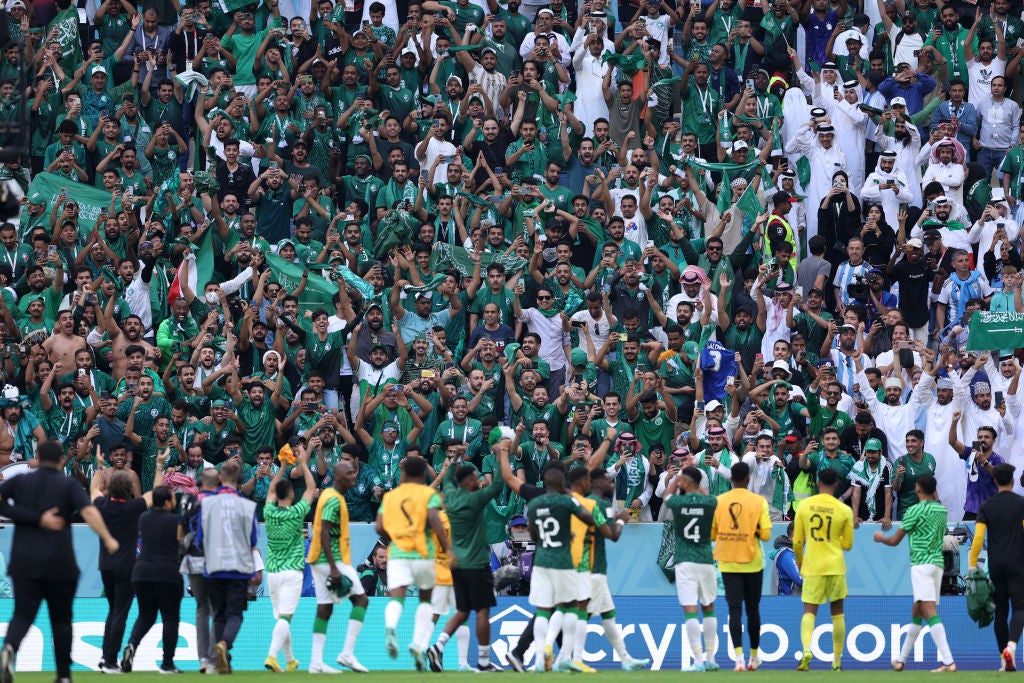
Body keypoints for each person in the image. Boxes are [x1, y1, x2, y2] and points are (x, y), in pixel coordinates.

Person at [0, 441, 119, 683]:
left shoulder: (20, 482)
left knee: (22, 615)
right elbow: (89, 512)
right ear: (59, 460)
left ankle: (9, 648)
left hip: (25, 562)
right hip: (59, 563)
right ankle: (63, 675)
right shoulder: (67, 484)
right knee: (62, 620)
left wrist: (31, 518)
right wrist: (107, 538)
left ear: (37, 458)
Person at [426, 435, 506, 673]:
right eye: (476, 477)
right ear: (470, 481)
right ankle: (482, 661)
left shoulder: (450, 495)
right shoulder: (475, 499)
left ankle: (437, 647)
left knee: (462, 610)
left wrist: (456, 455)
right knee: (482, 610)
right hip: (476, 562)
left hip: (456, 564)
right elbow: (499, 485)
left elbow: (448, 475)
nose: (479, 479)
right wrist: (501, 456)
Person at [92, 453, 167, 674]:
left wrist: (99, 467)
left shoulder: (102, 505)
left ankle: (106, 656)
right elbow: (155, 494)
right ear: (128, 489)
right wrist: (159, 466)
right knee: (120, 614)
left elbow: (94, 489)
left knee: (113, 610)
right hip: (127, 566)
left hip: (105, 565)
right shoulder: (135, 507)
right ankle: (109, 661)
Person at [376, 455, 454, 671]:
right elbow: (435, 520)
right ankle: (417, 644)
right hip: (423, 555)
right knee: (425, 602)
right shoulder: (429, 494)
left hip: (398, 553)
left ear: (404, 473)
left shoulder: (391, 497)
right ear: (421, 474)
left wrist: (397, 534)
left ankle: (391, 627)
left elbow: (379, 526)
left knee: (396, 599)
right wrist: (448, 548)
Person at [873, 474, 957, 672]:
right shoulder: (941, 510)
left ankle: (948, 661)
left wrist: (879, 538)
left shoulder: (913, 511)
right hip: (937, 564)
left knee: (928, 611)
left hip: (921, 564)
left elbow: (894, 540)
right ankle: (901, 660)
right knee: (917, 612)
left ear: (918, 488)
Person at [525, 464, 598, 673]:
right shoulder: (567, 501)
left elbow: (532, 534)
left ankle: (539, 659)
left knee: (542, 610)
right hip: (563, 562)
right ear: (561, 483)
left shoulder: (535, 503)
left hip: (542, 561)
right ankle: (566, 655)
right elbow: (589, 519)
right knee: (571, 606)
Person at [306, 458, 371, 674]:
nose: (354, 476)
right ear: (339, 477)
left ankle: (316, 663)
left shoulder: (329, 495)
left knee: (325, 607)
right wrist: (334, 568)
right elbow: (323, 532)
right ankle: (347, 653)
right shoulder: (334, 499)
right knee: (361, 600)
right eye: (350, 474)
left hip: (319, 560)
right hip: (331, 560)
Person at [196, 458, 260, 675]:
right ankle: (224, 644)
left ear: (221, 478)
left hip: (213, 566)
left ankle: (223, 659)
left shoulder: (206, 503)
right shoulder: (247, 506)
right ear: (240, 480)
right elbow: (252, 541)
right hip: (238, 567)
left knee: (219, 613)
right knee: (235, 614)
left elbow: (199, 539)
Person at [711, 461, 771, 672]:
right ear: (747, 479)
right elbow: (765, 534)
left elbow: (712, 534)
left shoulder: (719, 501)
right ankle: (754, 657)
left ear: (732, 479)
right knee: (753, 610)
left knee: (734, 609)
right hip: (752, 562)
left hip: (727, 562)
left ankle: (738, 659)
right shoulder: (758, 502)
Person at [792, 468, 854, 671]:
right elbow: (847, 545)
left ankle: (807, 650)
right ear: (837, 485)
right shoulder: (844, 510)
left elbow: (797, 542)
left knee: (809, 611)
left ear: (818, 483)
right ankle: (836, 661)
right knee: (838, 613)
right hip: (835, 566)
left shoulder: (804, 506)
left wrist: (800, 563)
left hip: (813, 565)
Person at [262, 441, 316, 673]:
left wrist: (282, 468)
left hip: (272, 572)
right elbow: (312, 489)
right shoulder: (296, 512)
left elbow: (271, 491)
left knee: (282, 619)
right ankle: (272, 656)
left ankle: (291, 660)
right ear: (292, 494)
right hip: (292, 571)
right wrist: (303, 463)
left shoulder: (269, 511)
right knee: (286, 617)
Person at [121, 485, 184, 674]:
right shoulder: (176, 520)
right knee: (170, 618)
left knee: (146, 615)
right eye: (172, 498)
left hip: (141, 573)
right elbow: (182, 543)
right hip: (167, 573)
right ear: (166, 502)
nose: (174, 501)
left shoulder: (143, 518)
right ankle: (167, 664)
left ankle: (132, 644)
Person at [663, 466, 720, 672]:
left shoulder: (678, 502)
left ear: (685, 482)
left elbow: (666, 498)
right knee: (709, 607)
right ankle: (711, 658)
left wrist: (676, 480)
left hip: (685, 560)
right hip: (705, 559)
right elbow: (711, 498)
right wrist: (695, 484)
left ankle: (697, 660)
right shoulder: (709, 501)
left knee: (690, 609)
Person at [968, 463, 1024, 671]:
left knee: (1000, 611)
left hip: (996, 565)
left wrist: (973, 566)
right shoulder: (1021, 504)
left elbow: (979, 539)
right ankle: (1012, 646)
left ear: (994, 481)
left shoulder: (986, 506)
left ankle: (1004, 659)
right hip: (1018, 564)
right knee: (1020, 607)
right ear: (1012, 480)